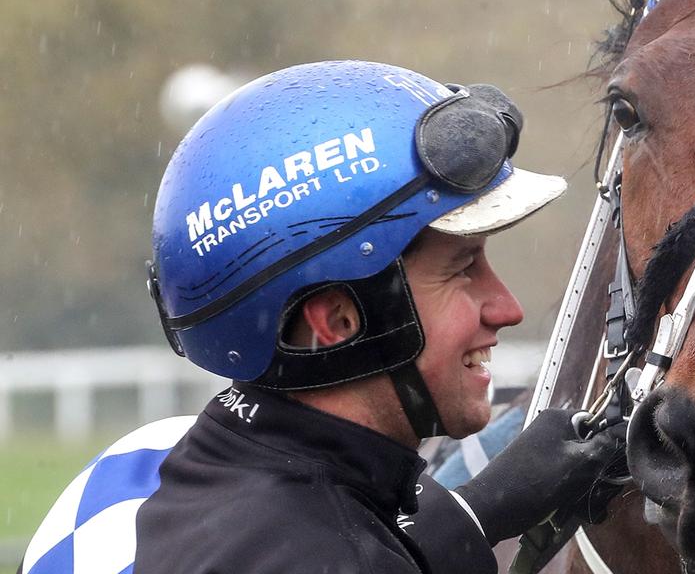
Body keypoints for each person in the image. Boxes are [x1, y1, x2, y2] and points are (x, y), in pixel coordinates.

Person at [20, 60, 624, 574]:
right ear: (336, 320)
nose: (508, 308)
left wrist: (475, 514)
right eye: (463, 269)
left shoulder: (137, 462)